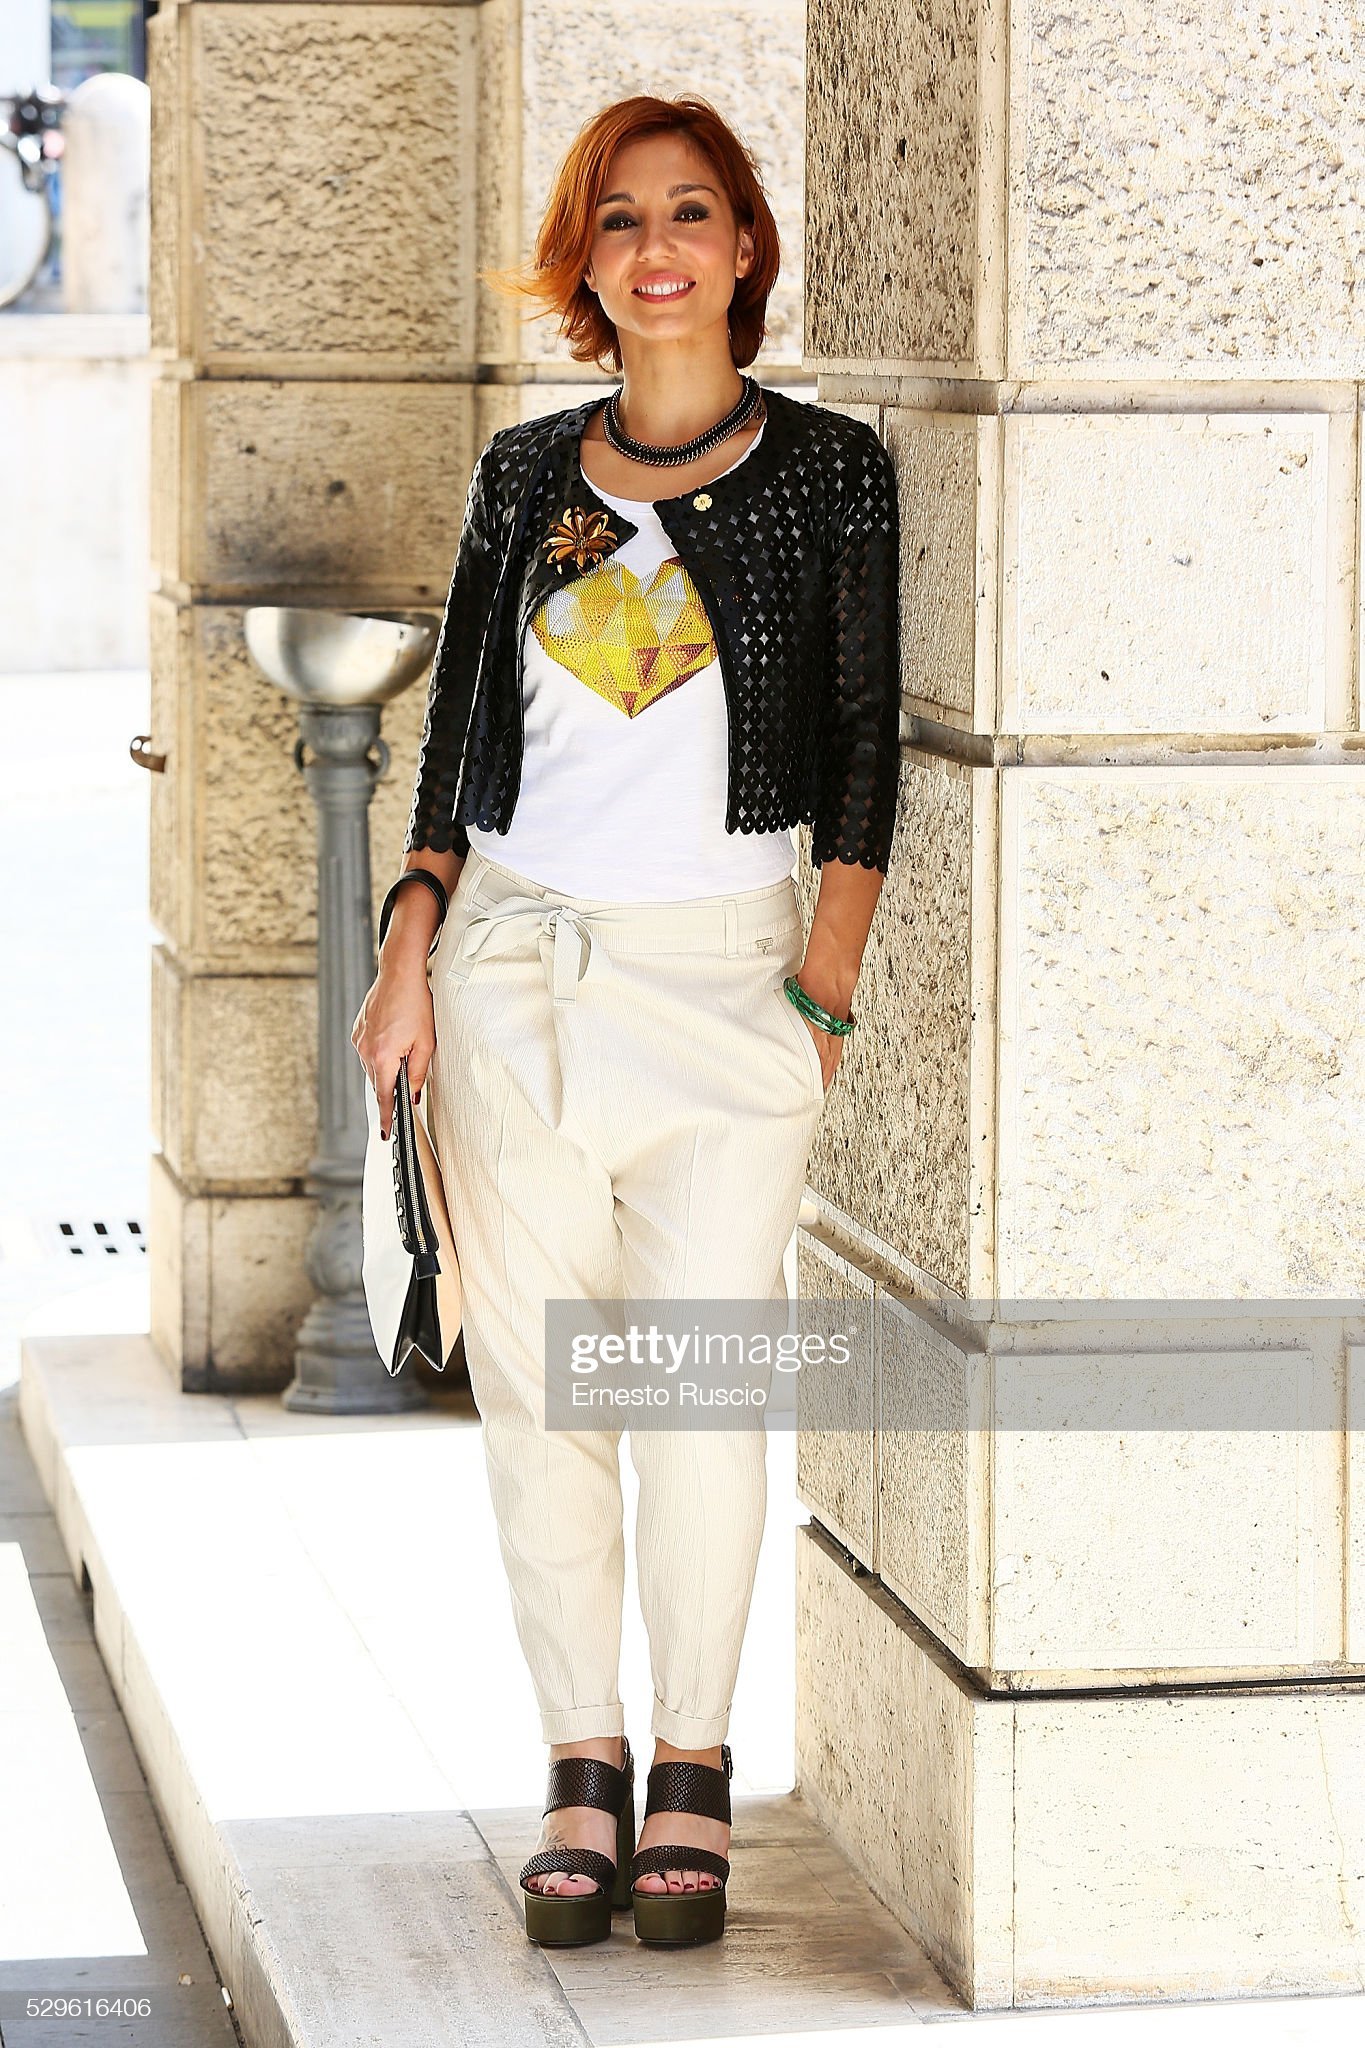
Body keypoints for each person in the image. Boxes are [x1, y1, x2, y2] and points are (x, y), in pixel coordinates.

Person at [351, 92, 902, 1950]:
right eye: (615, 220)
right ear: (584, 266)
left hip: (727, 986)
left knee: (696, 1401)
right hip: (511, 967)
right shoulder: (526, 474)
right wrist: (410, 942)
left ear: (743, 246)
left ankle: (692, 1760)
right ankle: (579, 1759)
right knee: (537, 1397)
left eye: (686, 212)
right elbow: (457, 737)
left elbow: (863, 745)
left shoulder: (828, 472)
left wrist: (820, 990)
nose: (653, 248)